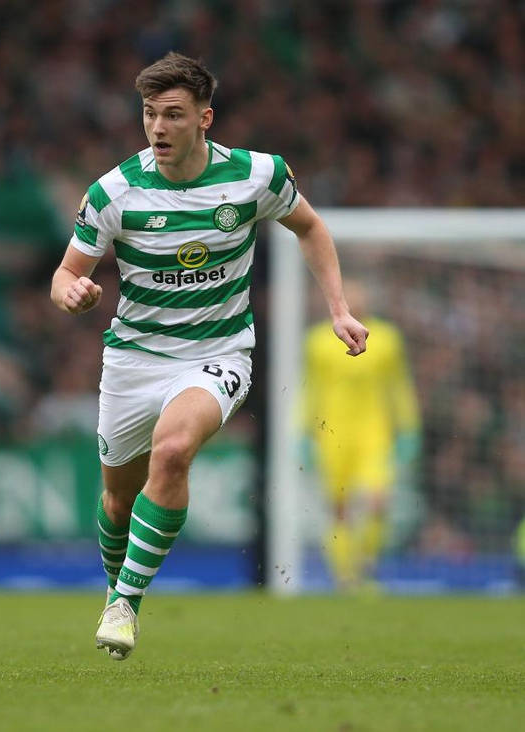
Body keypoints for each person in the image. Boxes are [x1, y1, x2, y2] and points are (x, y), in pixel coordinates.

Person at [49, 52, 368, 661]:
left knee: (172, 452)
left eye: (173, 114)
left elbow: (310, 227)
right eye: (150, 114)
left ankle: (125, 604)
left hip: (219, 353)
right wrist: (73, 294)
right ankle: (116, 588)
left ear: (205, 118)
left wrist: (338, 309)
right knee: (118, 500)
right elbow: (66, 273)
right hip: (134, 359)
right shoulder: (114, 192)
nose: (158, 127)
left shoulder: (257, 176)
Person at [302, 280, 420, 591]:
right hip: (332, 433)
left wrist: (409, 428)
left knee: (378, 500)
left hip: (374, 432)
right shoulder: (318, 340)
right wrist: (302, 433)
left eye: (360, 296)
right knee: (339, 508)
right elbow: (310, 390)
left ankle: (367, 561)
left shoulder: (387, 339)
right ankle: (345, 577)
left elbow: (398, 385)